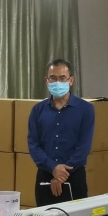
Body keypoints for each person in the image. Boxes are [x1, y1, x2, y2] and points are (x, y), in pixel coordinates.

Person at [28, 59, 95, 206]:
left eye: (62, 78)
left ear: (71, 81)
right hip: (45, 176)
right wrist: (53, 168)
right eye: (53, 78)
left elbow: (84, 147)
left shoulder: (85, 109)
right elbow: (33, 145)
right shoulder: (38, 110)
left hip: (74, 176)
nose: (57, 82)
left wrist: (61, 175)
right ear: (46, 80)